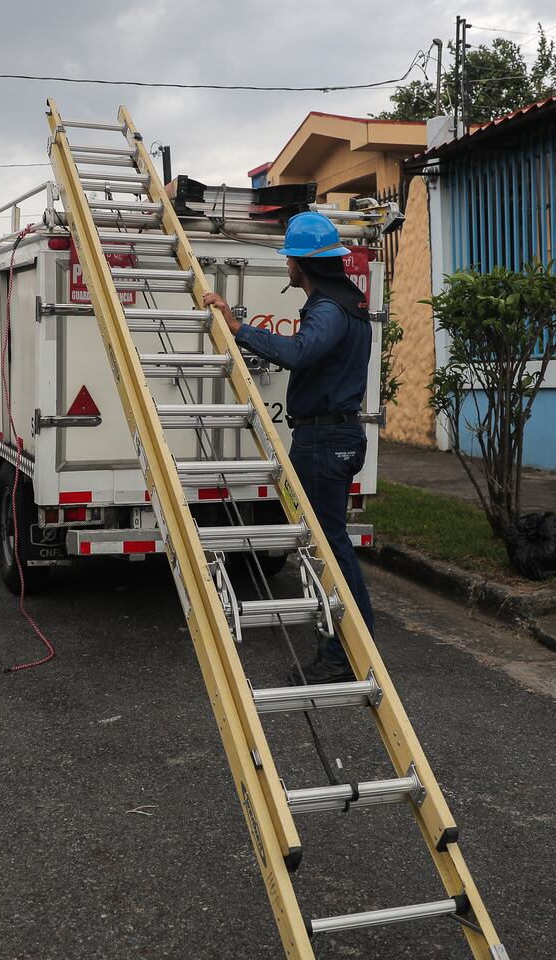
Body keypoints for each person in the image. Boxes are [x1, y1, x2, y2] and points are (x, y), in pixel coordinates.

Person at [202, 210, 375, 685]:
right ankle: (353, 645)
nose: (287, 265)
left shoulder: (329, 309)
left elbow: (299, 352)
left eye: (290, 259)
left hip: (324, 441)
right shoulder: (349, 303)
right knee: (332, 545)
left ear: (303, 263)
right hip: (334, 437)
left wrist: (239, 330)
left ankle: (344, 654)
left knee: (328, 549)